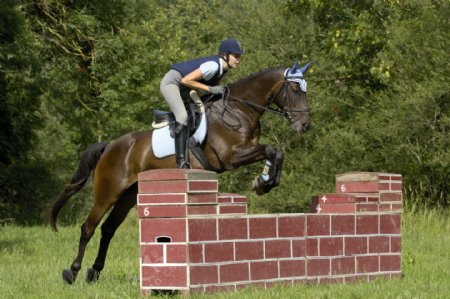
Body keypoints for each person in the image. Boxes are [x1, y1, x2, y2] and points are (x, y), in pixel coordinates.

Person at [160, 38, 243, 169]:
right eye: (236, 56)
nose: (238, 60)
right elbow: (185, 80)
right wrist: (210, 89)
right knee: (182, 116)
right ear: (225, 55)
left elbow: (212, 86)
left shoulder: (223, 68)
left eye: (239, 57)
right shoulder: (214, 65)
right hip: (172, 83)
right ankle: (181, 162)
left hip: (185, 87)